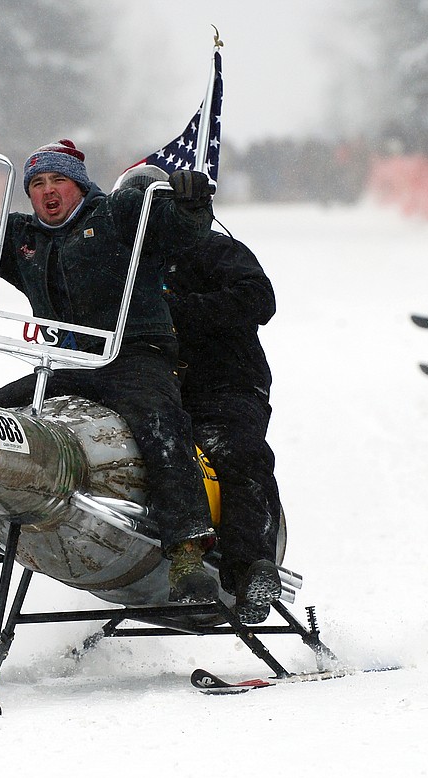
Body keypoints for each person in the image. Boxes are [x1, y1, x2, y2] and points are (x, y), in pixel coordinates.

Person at [0, 109, 219, 603]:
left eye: (59, 181)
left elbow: (182, 235)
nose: (48, 192)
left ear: (79, 185)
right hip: (65, 365)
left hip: (132, 354)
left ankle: (187, 554)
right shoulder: (24, 239)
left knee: (160, 422)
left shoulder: (118, 216)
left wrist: (191, 201)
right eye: (37, 184)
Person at [116, 164, 284, 624]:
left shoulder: (215, 250)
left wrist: (174, 314)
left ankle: (250, 569)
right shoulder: (118, 266)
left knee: (238, 452)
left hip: (223, 385)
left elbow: (259, 300)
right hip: (147, 387)